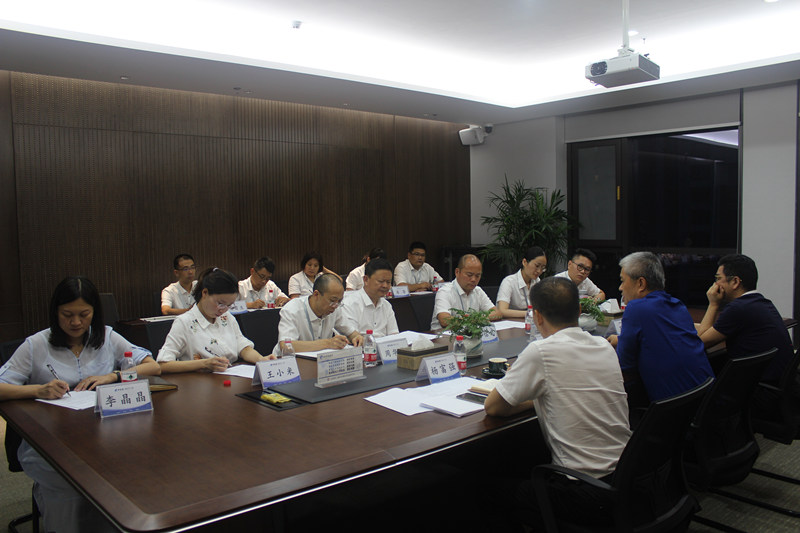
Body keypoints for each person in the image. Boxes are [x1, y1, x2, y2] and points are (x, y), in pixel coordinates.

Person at [0, 276, 160, 533]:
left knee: (133, 476)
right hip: (50, 442)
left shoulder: (106, 336)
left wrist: (113, 376)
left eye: (84, 315)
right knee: (70, 489)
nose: (76, 322)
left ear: (94, 313)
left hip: (105, 437)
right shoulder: (36, 345)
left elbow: (152, 366)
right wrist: (38, 390)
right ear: (56, 313)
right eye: (67, 315)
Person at [484, 277, 630, 529]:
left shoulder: (541, 351)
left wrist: (537, 397)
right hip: (627, 477)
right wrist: (545, 395)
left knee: (486, 489)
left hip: (583, 490)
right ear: (580, 310)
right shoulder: (604, 346)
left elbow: (493, 407)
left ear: (537, 317)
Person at [607, 251, 713, 405]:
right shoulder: (677, 305)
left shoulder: (636, 308)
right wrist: (622, 339)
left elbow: (625, 364)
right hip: (705, 399)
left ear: (641, 283)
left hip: (676, 408)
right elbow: (661, 339)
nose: (620, 287)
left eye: (623, 281)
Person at [696, 254, 793, 386]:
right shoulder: (760, 302)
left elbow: (700, 342)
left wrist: (713, 304)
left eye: (718, 279)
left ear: (735, 282)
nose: (715, 284)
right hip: (780, 385)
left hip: (759, 391)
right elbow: (712, 330)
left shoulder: (738, 309)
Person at [157, 268, 276, 373]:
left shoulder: (226, 317)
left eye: (229, 305)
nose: (223, 310)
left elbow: (243, 347)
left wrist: (261, 360)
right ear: (204, 293)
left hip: (230, 377)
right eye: (220, 303)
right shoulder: (184, 322)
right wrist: (203, 364)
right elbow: (163, 364)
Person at [273, 274, 363, 355]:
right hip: (288, 362)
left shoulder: (335, 309)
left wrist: (357, 337)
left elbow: (351, 332)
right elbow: (286, 345)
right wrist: (327, 343)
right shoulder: (292, 309)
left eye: (339, 301)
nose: (336, 305)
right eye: (332, 300)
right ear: (316, 294)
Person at [431, 254, 502, 329]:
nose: (473, 279)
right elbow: (444, 320)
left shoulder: (478, 291)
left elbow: (497, 313)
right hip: (442, 334)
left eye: (477, 276)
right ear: (457, 272)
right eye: (469, 275)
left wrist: (478, 319)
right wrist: (472, 321)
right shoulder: (445, 291)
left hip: (470, 333)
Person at [341, 258, 399, 337]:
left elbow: (394, 336)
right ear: (366, 280)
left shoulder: (387, 305)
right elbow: (352, 338)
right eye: (381, 281)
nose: (385, 286)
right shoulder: (349, 304)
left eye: (388, 282)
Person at [496, 246, 547, 318]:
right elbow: (502, 311)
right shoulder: (509, 282)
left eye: (543, 268)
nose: (539, 271)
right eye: (537, 266)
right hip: (511, 322)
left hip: (530, 322)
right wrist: (530, 314)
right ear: (525, 262)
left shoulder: (537, 281)